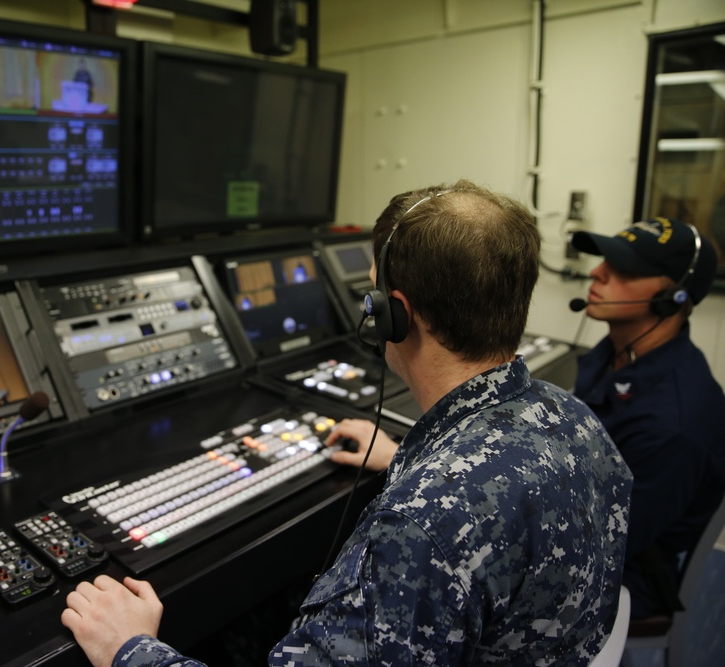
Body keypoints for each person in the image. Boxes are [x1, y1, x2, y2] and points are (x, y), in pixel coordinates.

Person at [62, 180, 632, 666]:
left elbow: (448, 524)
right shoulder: (575, 418)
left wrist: (130, 647)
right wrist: (405, 458)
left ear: (393, 315)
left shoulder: (420, 530)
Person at [570, 217, 725, 620]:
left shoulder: (675, 423)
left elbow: (607, 543)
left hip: (623, 572)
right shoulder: (618, 352)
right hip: (586, 517)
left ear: (671, 297)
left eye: (623, 269)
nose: (597, 272)